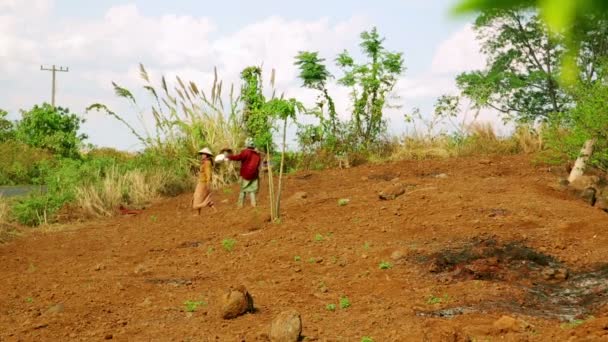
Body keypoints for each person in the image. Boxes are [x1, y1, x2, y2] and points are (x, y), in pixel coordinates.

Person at [227, 139, 262, 208]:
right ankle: (253, 204)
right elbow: (258, 165)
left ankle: (240, 205)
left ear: (246, 144)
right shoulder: (257, 155)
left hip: (246, 174)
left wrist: (228, 156)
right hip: (254, 175)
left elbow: (238, 157)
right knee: (252, 190)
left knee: (243, 190)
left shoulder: (245, 152)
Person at [192, 147, 216, 214]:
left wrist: (208, 185)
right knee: (200, 197)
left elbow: (208, 175)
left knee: (196, 202)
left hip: (203, 183)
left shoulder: (207, 163)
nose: (202, 155)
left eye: (203, 154)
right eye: (202, 154)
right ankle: (214, 210)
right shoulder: (204, 162)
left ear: (206, 155)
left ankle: (204, 205)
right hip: (201, 182)